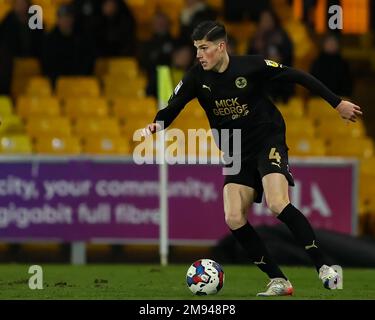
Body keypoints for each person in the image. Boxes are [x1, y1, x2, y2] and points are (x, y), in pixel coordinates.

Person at [141, 21, 362, 296]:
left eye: (204, 48)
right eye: (197, 48)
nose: (198, 54)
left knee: (278, 203)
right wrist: (156, 125)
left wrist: (336, 103)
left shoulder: (252, 66)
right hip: (235, 150)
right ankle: (278, 280)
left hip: (266, 139)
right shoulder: (196, 77)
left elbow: (297, 76)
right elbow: (172, 106)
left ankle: (324, 267)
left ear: (221, 47)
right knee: (234, 217)